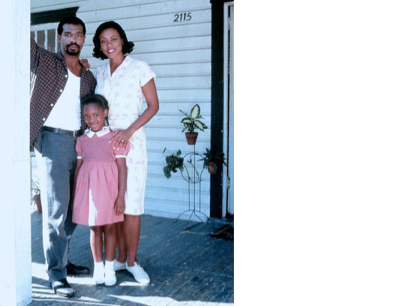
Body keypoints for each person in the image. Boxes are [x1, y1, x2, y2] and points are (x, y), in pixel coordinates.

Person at [31, 16, 96, 298]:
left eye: (78, 35)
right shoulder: (45, 61)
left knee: (72, 211)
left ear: (83, 39)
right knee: (57, 211)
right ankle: (56, 274)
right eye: (67, 34)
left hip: (78, 144)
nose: (73, 39)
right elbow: (21, 41)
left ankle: (63, 262)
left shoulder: (89, 77)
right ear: (60, 38)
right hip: (52, 140)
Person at [93, 21, 159, 284]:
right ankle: (117, 260)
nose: (109, 45)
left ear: (123, 40)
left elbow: (153, 106)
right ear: (99, 46)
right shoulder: (98, 72)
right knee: (113, 206)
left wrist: (129, 130)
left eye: (114, 39)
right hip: (105, 145)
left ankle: (131, 261)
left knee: (131, 206)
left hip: (132, 142)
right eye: (103, 41)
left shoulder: (139, 68)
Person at [72, 95, 130, 287]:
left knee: (110, 228)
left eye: (96, 115)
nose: (91, 120)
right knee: (95, 228)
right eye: (87, 116)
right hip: (90, 192)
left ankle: (109, 268)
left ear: (105, 113)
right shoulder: (82, 140)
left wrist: (121, 196)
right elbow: (79, 168)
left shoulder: (115, 138)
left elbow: (122, 168)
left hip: (110, 190)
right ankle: (98, 267)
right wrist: (75, 195)